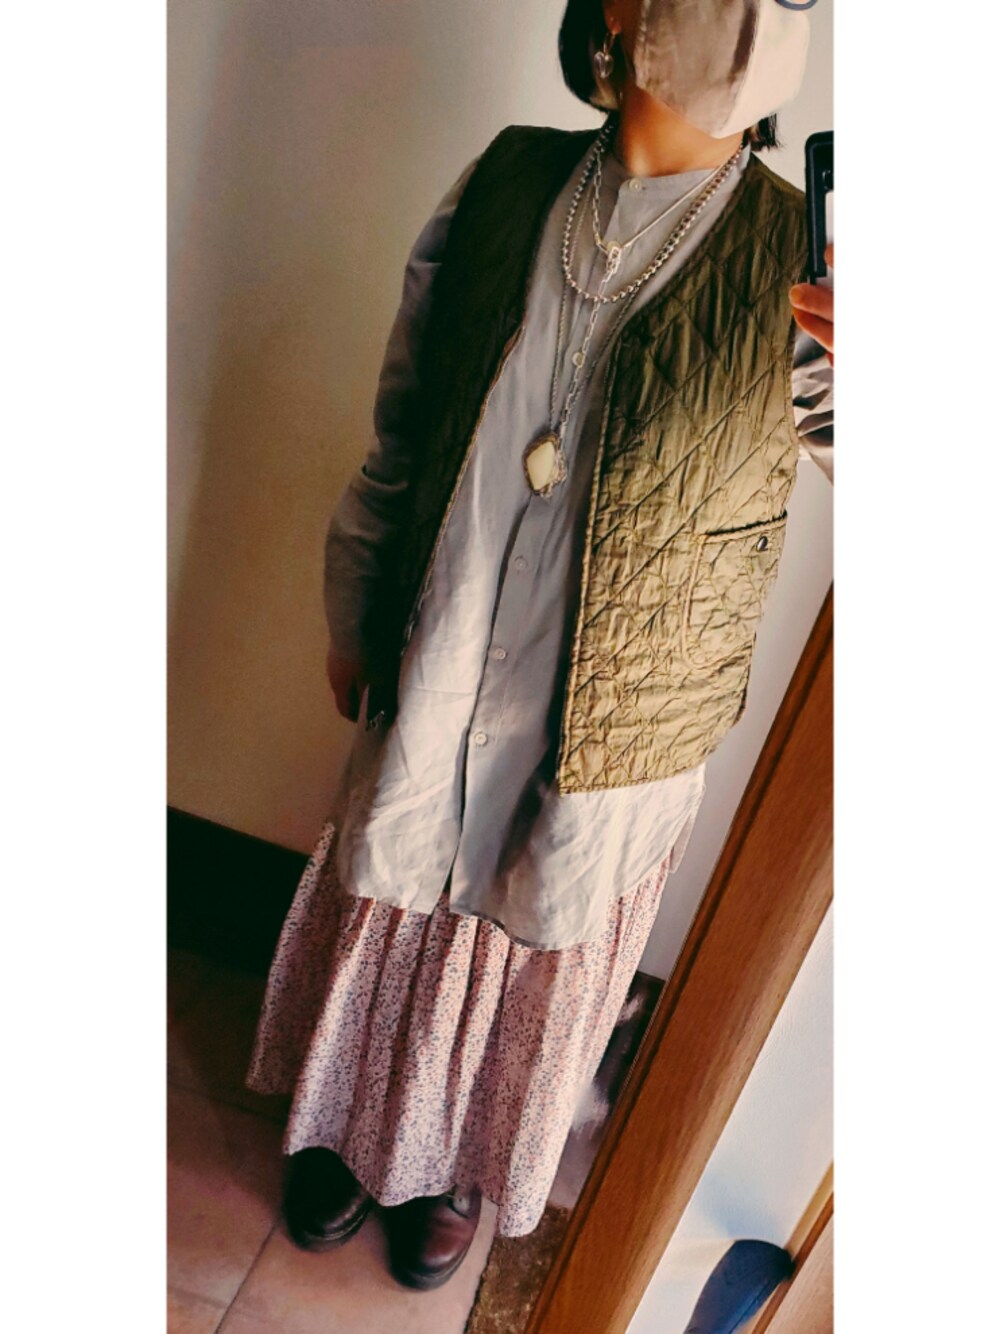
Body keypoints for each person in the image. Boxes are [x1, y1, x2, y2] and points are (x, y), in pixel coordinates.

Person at [245, 0, 834, 1294]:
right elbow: (404, 423)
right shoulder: (508, 183)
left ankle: (456, 1162)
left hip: (617, 719)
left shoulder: (804, 258)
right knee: (398, 874)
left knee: (533, 933)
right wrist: (355, 604)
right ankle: (348, 1125)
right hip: (446, 649)